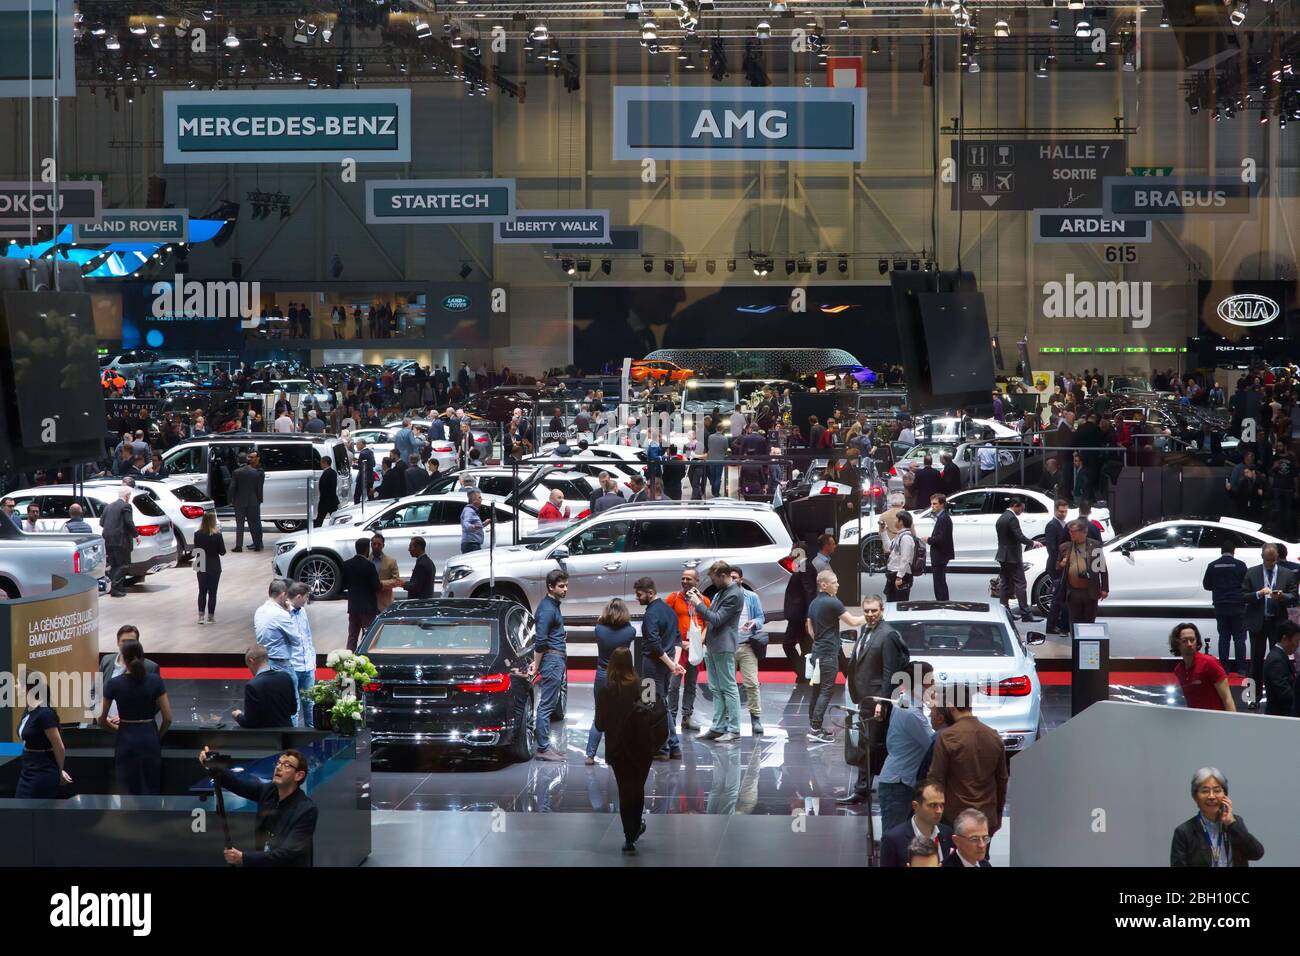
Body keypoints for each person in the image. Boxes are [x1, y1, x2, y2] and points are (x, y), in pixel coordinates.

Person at [840, 594, 908, 803]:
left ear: (882, 610)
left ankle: (862, 789)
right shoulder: (865, 630)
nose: (870, 615)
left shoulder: (887, 635)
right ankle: (873, 786)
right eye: (867, 611)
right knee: (868, 743)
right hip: (863, 698)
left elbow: (890, 671)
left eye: (874, 611)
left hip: (876, 699)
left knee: (869, 744)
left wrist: (881, 701)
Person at [200, 746, 318, 866]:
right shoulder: (269, 791)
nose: (278, 767)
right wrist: (212, 766)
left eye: (287, 765)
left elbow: (287, 853)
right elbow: (237, 785)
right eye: (278, 763)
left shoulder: (306, 810)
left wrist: (243, 858)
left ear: (299, 775)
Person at [594, 647, 663, 853]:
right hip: (642, 747)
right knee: (638, 787)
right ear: (631, 662)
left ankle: (629, 834)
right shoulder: (645, 684)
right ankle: (634, 828)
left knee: (625, 790)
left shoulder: (605, 689)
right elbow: (656, 715)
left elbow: (599, 724)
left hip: (618, 748)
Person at [930, 684, 1009, 842]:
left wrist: (933, 815)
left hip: (954, 818)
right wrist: (998, 814)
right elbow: (1002, 780)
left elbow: (936, 780)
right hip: (985, 817)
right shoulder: (993, 736)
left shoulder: (947, 737)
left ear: (951, 706)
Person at [98, 638, 171, 795]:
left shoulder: (114, 684)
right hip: (149, 737)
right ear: (142, 656)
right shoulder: (155, 681)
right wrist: (157, 735)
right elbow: (168, 718)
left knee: (127, 788)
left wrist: (118, 730)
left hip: (125, 738)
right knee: (151, 786)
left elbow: (101, 720)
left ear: (123, 659)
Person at [805, 570, 866, 743]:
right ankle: (816, 729)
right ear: (824, 584)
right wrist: (872, 616)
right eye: (834, 582)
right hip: (828, 655)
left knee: (817, 691)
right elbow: (853, 622)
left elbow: (810, 629)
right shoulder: (832, 603)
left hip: (817, 652)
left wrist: (820, 640)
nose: (838, 585)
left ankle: (814, 726)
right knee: (826, 690)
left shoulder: (814, 603)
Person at [875, 660, 936, 832]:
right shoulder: (911, 713)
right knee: (894, 836)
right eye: (931, 681)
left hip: (901, 781)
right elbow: (932, 744)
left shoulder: (905, 703)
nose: (934, 685)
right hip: (898, 784)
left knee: (904, 837)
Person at [689, 561, 745, 741]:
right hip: (713, 646)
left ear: (723, 575)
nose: (712, 583)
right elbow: (712, 615)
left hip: (724, 646)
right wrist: (700, 600)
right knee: (715, 688)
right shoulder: (722, 592)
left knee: (728, 687)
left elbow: (717, 619)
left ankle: (734, 729)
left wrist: (699, 603)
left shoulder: (735, 594)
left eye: (714, 579)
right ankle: (718, 726)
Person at [635, 576, 686, 760]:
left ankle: (663, 748)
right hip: (666, 665)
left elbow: (655, 646)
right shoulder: (669, 611)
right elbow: (678, 639)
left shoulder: (651, 614)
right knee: (661, 704)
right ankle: (673, 746)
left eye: (639, 594)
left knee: (652, 706)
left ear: (650, 593)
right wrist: (674, 663)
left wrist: (672, 665)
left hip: (651, 666)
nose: (637, 598)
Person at [1170, 768, 1265, 868]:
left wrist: (1231, 823)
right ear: (1195, 797)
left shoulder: (1235, 823)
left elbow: (1256, 853)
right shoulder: (1184, 832)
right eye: (1205, 791)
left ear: (1225, 795)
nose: (1211, 796)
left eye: (1217, 790)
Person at [1243, 544, 1298, 709]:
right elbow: (1243, 595)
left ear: (1277, 558)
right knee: (1255, 661)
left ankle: (1277, 695)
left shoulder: (1286, 574)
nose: (1271, 563)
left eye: (1273, 560)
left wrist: (1282, 596)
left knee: (1279, 659)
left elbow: (1294, 596)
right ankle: (1253, 697)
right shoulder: (1251, 573)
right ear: (1262, 557)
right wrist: (1258, 594)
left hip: (1278, 623)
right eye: (1268, 560)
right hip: (1257, 622)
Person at [584, 598, 639, 764]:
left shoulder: (599, 629)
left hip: (602, 675)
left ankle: (590, 755)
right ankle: (619, 752)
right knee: (622, 715)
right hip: (623, 677)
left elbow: (600, 622)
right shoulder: (630, 631)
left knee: (600, 714)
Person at [531, 569, 569, 761]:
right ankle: (543, 748)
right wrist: (536, 666)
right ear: (550, 587)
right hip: (552, 660)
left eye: (566, 585)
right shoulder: (547, 609)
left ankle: (545, 746)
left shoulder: (552, 605)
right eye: (561, 586)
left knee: (549, 704)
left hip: (556, 659)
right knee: (546, 705)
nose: (565, 589)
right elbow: (541, 641)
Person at [665, 568, 708, 732]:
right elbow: (666, 621)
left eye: (689, 579)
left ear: (697, 581)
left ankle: (687, 717)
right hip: (678, 648)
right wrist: (680, 642)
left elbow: (708, 623)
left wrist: (699, 642)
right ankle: (671, 718)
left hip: (695, 649)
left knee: (691, 684)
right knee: (673, 685)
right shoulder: (673, 598)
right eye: (683, 578)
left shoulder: (704, 600)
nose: (684, 582)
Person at [879, 780, 955, 868]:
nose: (939, 811)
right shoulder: (893, 840)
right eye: (933, 805)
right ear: (915, 806)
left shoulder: (947, 833)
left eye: (942, 805)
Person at [15, 691, 73, 798]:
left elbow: (59, 746)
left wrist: (59, 771)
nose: (16, 686)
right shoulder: (29, 709)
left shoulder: (45, 713)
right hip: (27, 768)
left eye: (19, 683)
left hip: (42, 770)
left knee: (36, 810)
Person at [994, 496, 1044, 622]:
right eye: (1021, 509)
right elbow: (1019, 536)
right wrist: (1033, 543)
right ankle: (1026, 614)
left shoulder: (1002, 517)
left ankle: (1004, 611)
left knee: (1006, 584)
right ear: (1015, 505)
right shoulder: (1012, 518)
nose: (1022, 511)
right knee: (1020, 584)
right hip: (1012, 556)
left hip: (1002, 555)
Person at [732, 566, 768, 736]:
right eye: (729, 577)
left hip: (747, 644)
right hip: (728, 647)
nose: (732, 580)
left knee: (752, 684)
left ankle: (756, 718)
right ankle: (729, 718)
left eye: (735, 577)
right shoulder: (720, 597)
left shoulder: (751, 597)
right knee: (727, 686)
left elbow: (761, 617)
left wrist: (754, 622)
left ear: (741, 579)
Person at [1171, 623, 1236, 712]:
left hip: (1215, 721)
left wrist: (1232, 723)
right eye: (1185, 641)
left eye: (1192, 640)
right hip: (1195, 721)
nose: (1189, 644)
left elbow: (1227, 698)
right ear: (1177, 643)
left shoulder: (1209, 663)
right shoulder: (1179, 670)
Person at [232, 644, 298, 728]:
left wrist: (238, 715)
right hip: (286, 735)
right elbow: (293, 710)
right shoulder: (286, 677)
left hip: (265, 738)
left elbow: (249, 722)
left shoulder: (252, 685)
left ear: (251, 660)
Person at [1057, 518, 1108, 625]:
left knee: (1089, 622)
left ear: (1082, 532)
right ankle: (1075, 642)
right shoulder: (1065, 547)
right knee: (1074, 623)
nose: (1070, 534)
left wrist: (1104, 588)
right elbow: (1057, 567)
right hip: (1073, 592)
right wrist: (1061, 564)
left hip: (1090, 591)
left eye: (1073, 532)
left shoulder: (1095, 545)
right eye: (1069, 531)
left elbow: (1102, 568)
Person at [342, 538, 381, 652]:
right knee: (368, 636)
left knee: (352, 636)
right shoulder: (369, 565)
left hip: (353, 606)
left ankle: (349, 659)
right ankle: (365, 659)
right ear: (367, 549)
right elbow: (376, 586)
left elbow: (343, 585)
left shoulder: (347, 564)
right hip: (368, 608)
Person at [781, 548, 815, 681]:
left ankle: (803, 673)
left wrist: (808, 617)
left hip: (800, 616)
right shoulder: (801, 567)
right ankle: (804, 674)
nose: (790, 555)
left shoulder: (806, 567)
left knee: (788, 644)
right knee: (804, 645)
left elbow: (809, 592)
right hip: (798, 615)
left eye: (792, 553)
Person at [287, 583, 317, 728]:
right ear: (299, 597)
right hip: (293, 666)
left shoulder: (303, 611)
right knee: (294, 704)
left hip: (308, 665)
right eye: (306, 597)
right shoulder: (284, 614)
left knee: (309, 702)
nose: (306, 600)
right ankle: (293, 736)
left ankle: (311, 733)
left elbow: (308, 636)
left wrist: (313, 660)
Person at [1040, 499, 1071, 634]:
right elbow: (1051, 548)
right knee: (1057, 598)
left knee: (1059, 597)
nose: (1063, 514)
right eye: (1061, 511)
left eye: (1065, 511)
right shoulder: (1052, 525)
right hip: (1056, 566)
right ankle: (1051, 626)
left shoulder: (1063, 524)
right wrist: (1059, 563)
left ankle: (1055, 623)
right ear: (1055, 510)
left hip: (1060, 565)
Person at [100, 485, 136, 597]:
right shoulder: (126, 506)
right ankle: (116, 588)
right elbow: (129, 522)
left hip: (108, 540)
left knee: (114, 564)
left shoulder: (108, 506)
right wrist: (136, 535)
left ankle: (113, 587)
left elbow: (101, 523)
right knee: (123, 564)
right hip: (121, 539)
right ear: (127, 496)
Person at [192, 511, 226, 625]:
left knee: (202, 591)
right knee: (212, 592)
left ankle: (201, 617)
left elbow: (196, 549)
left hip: (200, 563)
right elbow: (222, 552)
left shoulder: (197, 534)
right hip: (214, 565)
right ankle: (210, 617)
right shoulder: (217, 535)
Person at [1263, 619, 1300, 717]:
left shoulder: (1279, 656)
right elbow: (1284, 693)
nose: (1297, 645)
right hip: (1281, 716)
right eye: (1296, 641)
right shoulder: (1277, 661)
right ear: (1285, 639)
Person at [229, 452, 265, 552]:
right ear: (247, 460)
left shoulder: (236, 472)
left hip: (239, 502)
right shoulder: (256, 472)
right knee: (254, 523)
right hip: (253, 501)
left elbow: (232, 487)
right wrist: (259, 499)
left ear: (238, 460)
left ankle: (239, 546)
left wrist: (230, 499)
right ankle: (257, 545)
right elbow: (259, 488)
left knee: (240, 524)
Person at [923, 494, 954, 601]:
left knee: (939, 582)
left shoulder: (943, 518)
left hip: (940, 555)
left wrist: (928, 539)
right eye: (931, 503)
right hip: (940, 554)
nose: (932, 506)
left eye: (935, 504)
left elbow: (941, 539)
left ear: (942, 504)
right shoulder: (942, 517)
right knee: (940, 581)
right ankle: (942, 602)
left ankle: (942, 603)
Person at [885, 510, 918, 602]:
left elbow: (905, 559)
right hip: (893, 573)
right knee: (891, 602)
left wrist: (899, 577)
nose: (894, 521)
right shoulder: (899, 535)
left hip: (902, 576)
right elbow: (889, 548)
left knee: (900, 603)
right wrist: (883, 532)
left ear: (901, 522)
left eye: (896, 519)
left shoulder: (906, 538)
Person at [370, 533, 402, 613]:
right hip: (368, 604)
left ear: (383, 546)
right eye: (374, 544)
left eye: (379, 544)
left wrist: (380, 584)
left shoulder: (391, 561)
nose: (376, 546)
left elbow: (396, 581)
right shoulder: (366, 560)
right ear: (371, 545)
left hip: (384, 604)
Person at [403, 536, 435, 600]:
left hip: (418, 603)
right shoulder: (429, 562)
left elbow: (415, 587)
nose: (408, 549)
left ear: (418, 547)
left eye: (410, 546)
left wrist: (403, 584)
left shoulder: (421, 565)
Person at [314, 455, 339, 528]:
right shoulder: (333, 472)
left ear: (325, 463)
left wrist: (322, 499)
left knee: (319, 519)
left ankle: (315, 532)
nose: (320, 464)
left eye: (321, 463)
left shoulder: (326, 474)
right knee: (334, 517)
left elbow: (325, 488)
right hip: (332, 500)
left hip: (325, 501)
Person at [460, 489, 486, 553]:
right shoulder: (469, 510)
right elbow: (466, 523)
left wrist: (484, 524)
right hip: (471, 545)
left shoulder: (473, 510)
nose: (481, 499)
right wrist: (472, 527)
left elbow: (476, 526)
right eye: (479, 498)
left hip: (473, 544)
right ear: (474, 500)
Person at [353, 438, 375, 503]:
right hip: (370, 476)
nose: (356, 446)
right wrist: (358, 461)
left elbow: (363, 467)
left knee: (357, 495)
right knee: (370, 495)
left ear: (361, 444)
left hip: (363, 477)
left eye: (357, 444)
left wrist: (353, 465)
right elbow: (373, 464)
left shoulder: (362, 453)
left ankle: (356, 508)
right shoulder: (370, 452)